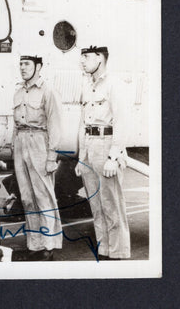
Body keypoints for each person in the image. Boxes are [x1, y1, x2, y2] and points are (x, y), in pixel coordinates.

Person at [75, 45, 130, 260]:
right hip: (89, 146)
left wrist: (113, 157)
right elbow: (82, 124)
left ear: (100, 58)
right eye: (81, 57)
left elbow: (122, 122)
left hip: (107, 145)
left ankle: (119, 254)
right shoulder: (87, 86)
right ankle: (104, 250)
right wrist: (81, 158)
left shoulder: (115, 85)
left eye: (86, 57)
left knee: (112, 204)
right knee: (96, 205)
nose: (82, 61)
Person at [13, 54, 63, 260]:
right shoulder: (18, 91)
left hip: (39, 143)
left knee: (43, 196)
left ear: (38, 67)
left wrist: (52, 156)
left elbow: (55, 124)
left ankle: (48, 245)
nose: (23, 68)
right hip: (21, 143)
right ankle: (34, 244)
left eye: (27, 64)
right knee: (27, 197)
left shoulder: (48, 91)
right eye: (21, 64)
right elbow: (15, 125)